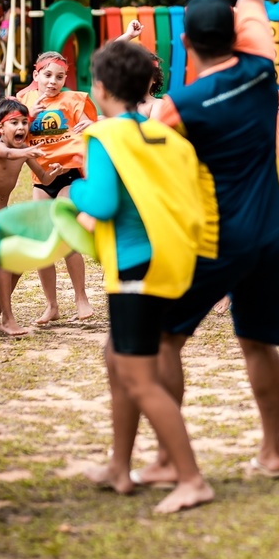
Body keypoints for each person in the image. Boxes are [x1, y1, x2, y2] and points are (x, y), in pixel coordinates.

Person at [141, 0, 279, 485]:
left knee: (164, 339)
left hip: (217, 235)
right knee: (257, 343)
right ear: (233, 32)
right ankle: (273, 450)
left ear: (185, 42)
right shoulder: (262, 65)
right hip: (272, 231)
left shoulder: (179, 105)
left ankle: (163, 457)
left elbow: (152, 169)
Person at [75, 41, 213, 514]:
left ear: (101, 87)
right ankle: (119, 467)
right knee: (119, 360)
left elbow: (102, 203)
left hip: (135, 267)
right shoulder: (169, 136)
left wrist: (75, 191)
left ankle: (190, 478)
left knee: (138, 376)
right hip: (176, 264)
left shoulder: (104, 136)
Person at [0, 99, 63, 336]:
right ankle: (8, 320)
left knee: (17, 263)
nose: (20, 127)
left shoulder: (24, 152)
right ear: (1, 128)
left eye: (24, 122)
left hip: (1, 216)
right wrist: (26, 151)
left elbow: (43, 176)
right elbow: (8, 153)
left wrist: (53, 173)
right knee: (7, 261)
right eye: (14, 123)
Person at [18, 51, 98, 324]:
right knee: (43, 240)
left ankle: (81, 298)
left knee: (67, 234)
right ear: (36, 75)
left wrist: (90, 126)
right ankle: (51, 305)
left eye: (60, 76)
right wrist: (28, 117)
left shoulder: (74, 100)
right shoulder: (22, 101)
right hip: (41, 179)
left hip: (68, 175)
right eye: (48, 75)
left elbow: (92, 131)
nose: (53, 81)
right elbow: (12, 136)